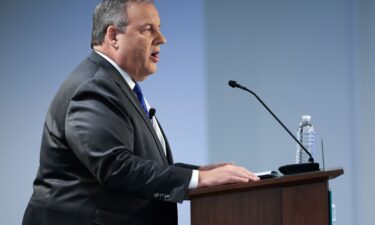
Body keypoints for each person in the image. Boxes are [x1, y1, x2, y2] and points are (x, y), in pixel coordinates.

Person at [22, 1, 259, 224]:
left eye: (159, 29)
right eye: (148, 30)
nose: (162, 39)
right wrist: (199, 180)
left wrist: (197, 173)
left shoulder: (116, 84)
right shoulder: (94, 86)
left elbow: (138, 162)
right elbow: (116, 167)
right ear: (113, 36)